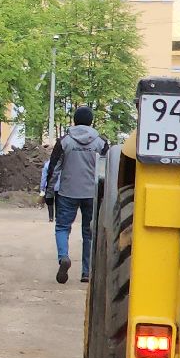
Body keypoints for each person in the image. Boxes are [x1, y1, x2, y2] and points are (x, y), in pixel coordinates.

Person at [42, 105, 109, 285]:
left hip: (67, 192)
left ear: (74, 121)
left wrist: (49, 194)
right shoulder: (101, 143)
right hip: (92, 194)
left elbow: (54, 169)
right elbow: (106, 172)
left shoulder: (65, 142)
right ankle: (87, 272)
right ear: (91, 121)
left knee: (62, 228)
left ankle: (63, 257)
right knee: (89, 232)